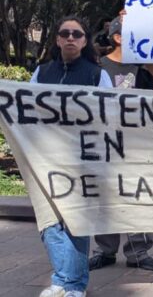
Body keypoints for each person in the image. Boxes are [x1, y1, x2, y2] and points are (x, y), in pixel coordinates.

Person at [28, 16, 112, 297]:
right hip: (45, 159)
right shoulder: (41, 73)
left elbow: (109, 116)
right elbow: (25, 112)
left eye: (77, 34)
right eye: (65, 33)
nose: (71, 38)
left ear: (85, 40)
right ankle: (63, 280)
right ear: (57, 39)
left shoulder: (97, 75)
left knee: (76, 222)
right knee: (49, 222)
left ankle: (72, 285)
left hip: (83, 161)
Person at [88, 17, 153, 272]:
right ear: (118, 37)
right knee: (105, 197)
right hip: (105, 144)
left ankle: (138, 251)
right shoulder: (99, 68)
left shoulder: (143, 70)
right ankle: (105, 250)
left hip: (136, 145)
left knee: (137, 195)